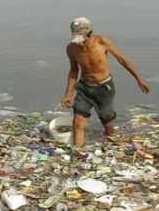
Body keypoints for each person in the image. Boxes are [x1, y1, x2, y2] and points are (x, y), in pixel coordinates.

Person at [60, 17, 150, 147]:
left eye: (81, 39)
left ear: (88, 32)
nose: (78, 43)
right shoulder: (71, 49)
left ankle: (110, 144)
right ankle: (78, 151)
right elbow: (74, 70)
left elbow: (122, 60)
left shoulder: (102, 41)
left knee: (107, 121)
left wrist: (138, 79)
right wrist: (68, 95)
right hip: (84, 87)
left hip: (104, 88)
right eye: (76, 39)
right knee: (78, 122)